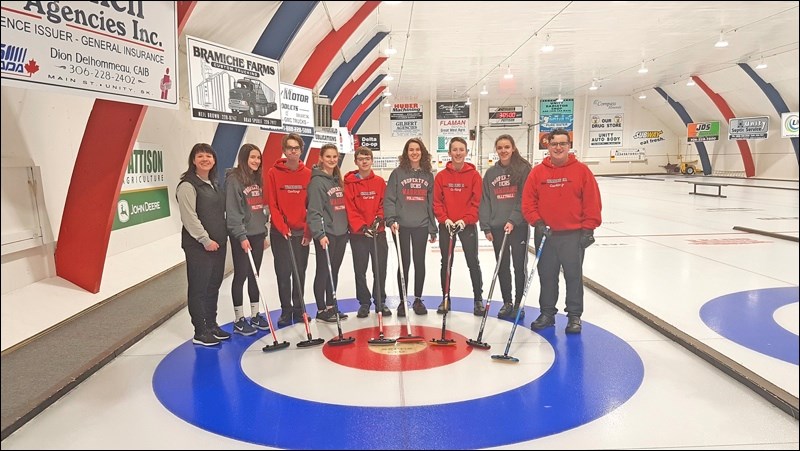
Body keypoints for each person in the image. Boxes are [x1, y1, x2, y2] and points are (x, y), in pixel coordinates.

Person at [522, 128, 602, 334]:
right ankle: (547, 313)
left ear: (568, 146)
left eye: (562, 144)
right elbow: (529, 201)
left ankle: (574, 316)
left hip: (572, 235)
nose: (558, 147)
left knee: (573, 276)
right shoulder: (537, 172)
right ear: (547, 146)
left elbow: (592, 201)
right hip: (546, 235)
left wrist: (588, 229)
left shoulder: (581, 171)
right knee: (547, 276)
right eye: (554, 144)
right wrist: (537, 222)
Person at [176, 143, 230, 346]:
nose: (205, 159)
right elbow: (189, 217)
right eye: (200, 156)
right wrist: (205, 240)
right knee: (199, 287)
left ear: (214, 160)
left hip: (218, 245)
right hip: (199, 246)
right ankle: (200, 331)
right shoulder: (187, 186)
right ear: (193, 160)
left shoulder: (214, 184)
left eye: (209, 155)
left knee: (213, 286)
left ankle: (211, 324)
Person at [479, 134, 532, 320]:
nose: (503, 151)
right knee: (502, 266)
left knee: (519, 266)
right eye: (500, 147)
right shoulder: (490, 174)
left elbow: (524, 198)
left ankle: (519, 302)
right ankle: (507, 301)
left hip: (518, 226)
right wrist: (486, 226)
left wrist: (513, 219)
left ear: (513, 148)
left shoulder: (523, 169)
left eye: (506, 147)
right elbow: (485, 200)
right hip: (497, 227)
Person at [384, 138, 437, 316]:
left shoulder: (428, 175)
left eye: (417, 150)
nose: (414, 152)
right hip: (401, 227)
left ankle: (418, 300)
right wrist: (391, 220)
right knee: (404, 263)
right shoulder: (397, 174)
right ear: (406, 153)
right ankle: (402, 301)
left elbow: (431, 204)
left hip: (421, 225)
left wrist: (432, 227)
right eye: (411, 150)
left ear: (422, 153)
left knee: (419, 262)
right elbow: (389, 198)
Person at [433, 136, 483, 316]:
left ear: (466, 152)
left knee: (473, 262)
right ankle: (445, 298)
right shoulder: (441, 176)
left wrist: (466, 219)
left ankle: (478, 300)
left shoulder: (474, 176)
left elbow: (477, 202)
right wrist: (444, 219)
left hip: (466, 225)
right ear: (449, 153)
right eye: (455, 149)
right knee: (446, 263)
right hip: (447, 226)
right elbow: (437, 202)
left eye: (461, 149)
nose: (458, 153)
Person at [266, 133, 313, 328]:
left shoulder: (309, 174)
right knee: (283, 272)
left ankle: (299, 309)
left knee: (299, 272)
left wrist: (308, 230)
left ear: (301, 150)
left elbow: (312, 205)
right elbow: (272, 204)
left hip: (301, 232)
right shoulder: (273, 173)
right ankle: (286, 310)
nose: (293, 151)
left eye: (296, 148)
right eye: (289, 148)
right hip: (281, 232)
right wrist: (282, 227)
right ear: (284, 151)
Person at [225, 143, 270, 336]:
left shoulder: (256, 178)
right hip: (242, 237)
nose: (256, 161)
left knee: (255, 275)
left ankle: (255, 314)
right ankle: (239, 319)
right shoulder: (234, 180)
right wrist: (241, 236)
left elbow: (259, 208)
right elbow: (233, 212)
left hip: (258, 234)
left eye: (258, 158)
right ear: (243, 158)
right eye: (252, 157)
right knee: (241, 275)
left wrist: (264, 232)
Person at [344, 147, 390, 318]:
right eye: (361, 158)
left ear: (372, 161)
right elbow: (350, 208)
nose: (364, 161)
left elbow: (383, 203)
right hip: (359, 235)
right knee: (360, 269)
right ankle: (364, 302)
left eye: (367, 158)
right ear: (356, 161)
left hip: (378, 233)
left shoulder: (379, 182)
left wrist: (378, 219)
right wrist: (362, 226)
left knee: (380, 269)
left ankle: (380, 301)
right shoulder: (349, 184)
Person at [307, 144, 349, 323]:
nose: (332, 160)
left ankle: (332, 305)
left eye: (335, 157)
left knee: (335, 271)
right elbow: (314, 211)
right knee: (324, 270)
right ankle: (321, 309)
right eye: (328, 156)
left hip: (340, 232)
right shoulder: (317, 182)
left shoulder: (336, 180)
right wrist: (319, 233)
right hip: (327, 234)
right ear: (321, 158)